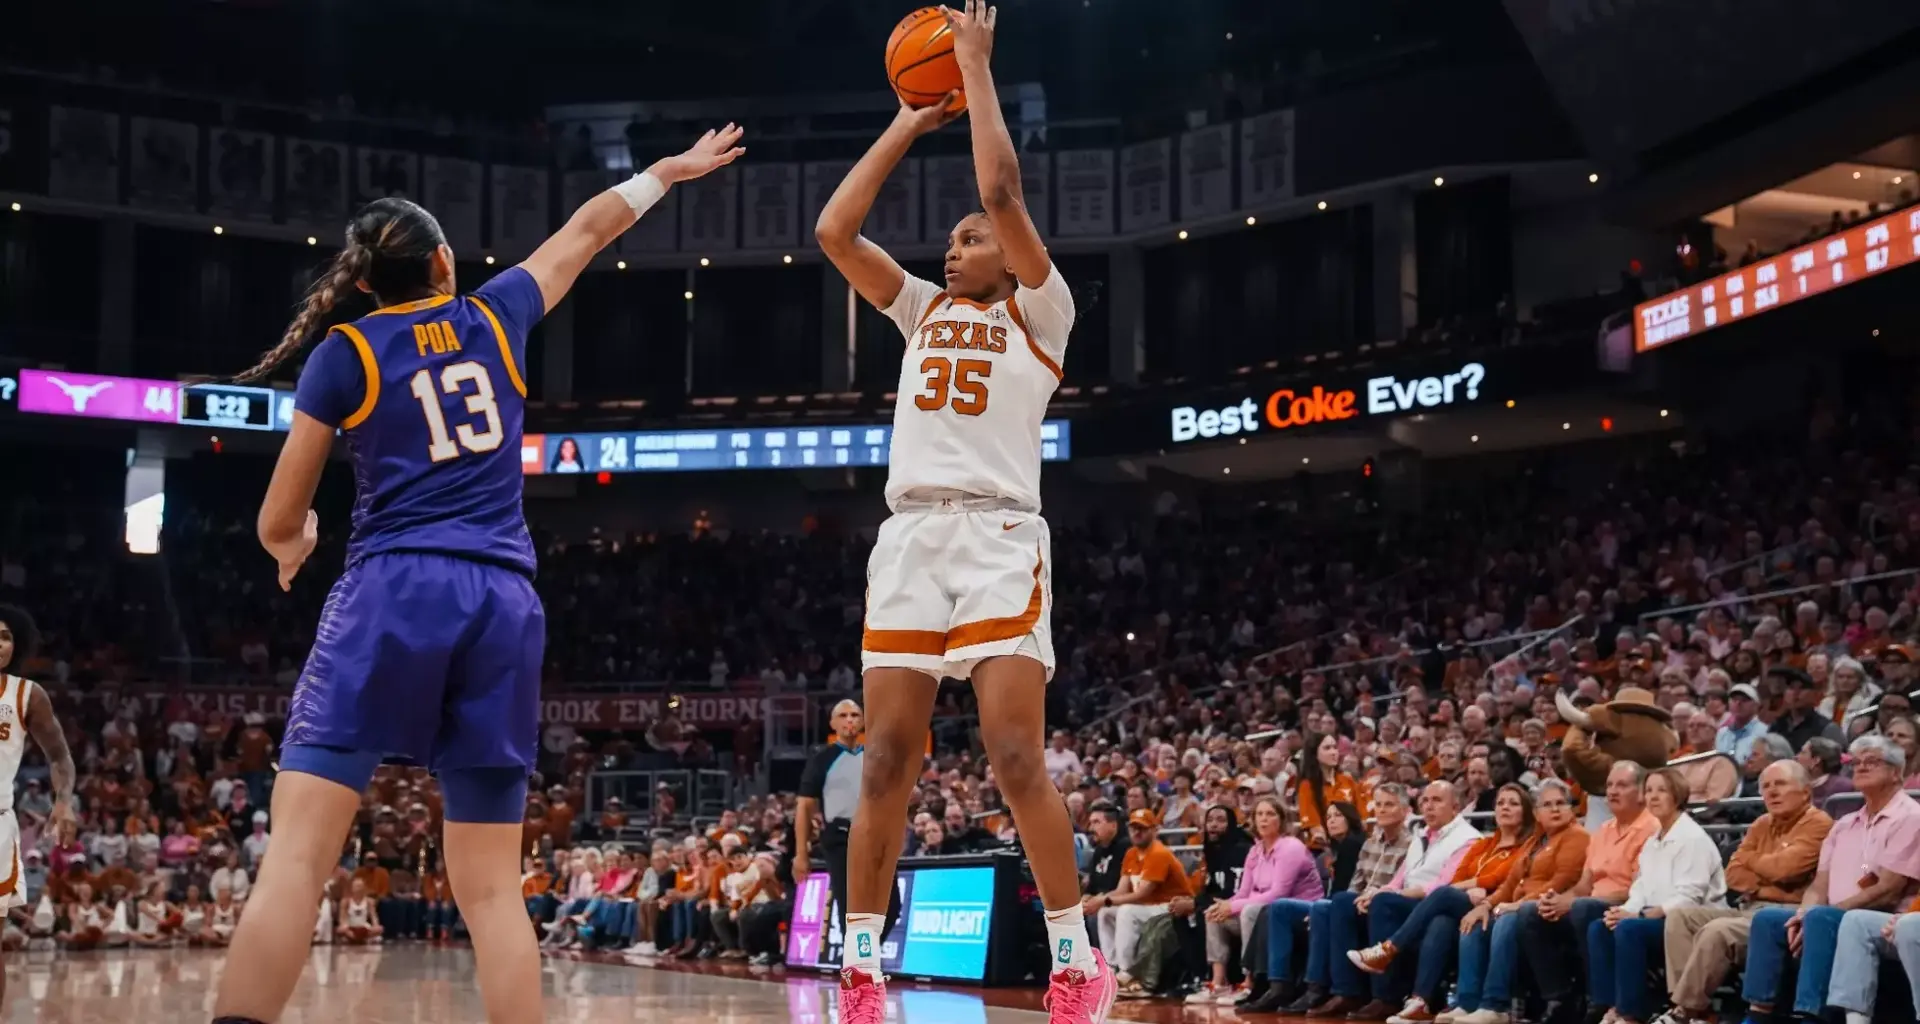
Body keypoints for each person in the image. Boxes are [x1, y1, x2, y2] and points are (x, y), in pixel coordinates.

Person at [207, 126, 744, 1024]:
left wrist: (294, 542)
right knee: (491, 891)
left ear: (366, 282)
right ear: (446, 262)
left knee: (298, 857)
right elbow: (587, 229)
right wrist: (668, 171)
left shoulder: (345, 354)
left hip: (395, 587)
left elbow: (275, 518)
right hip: (502, 601)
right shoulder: (497, 312)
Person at [814, 6, 1112, 1020]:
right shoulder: (920, 311)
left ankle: (1077, 958)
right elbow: (834, 232)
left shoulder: (1044, 310)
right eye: (949, 238)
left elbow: (999, 187)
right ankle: (860, 964)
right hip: (911, 540)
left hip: (996, 537)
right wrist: (905, 119)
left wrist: (976, 70)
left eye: (970, 239)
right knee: (887, 755)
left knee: (1014, 753)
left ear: (1014, 255)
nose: (956, 243)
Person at [1738, 735, 1920, 1024]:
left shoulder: (1910, 817)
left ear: (1896, 772)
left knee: (1822, 918)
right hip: (1829, 915)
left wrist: (1821, 914)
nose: (1860, 767)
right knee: (1768, 920)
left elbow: (1888, 889)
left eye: (1871, 761)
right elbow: (1819, 884)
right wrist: (1802, 914)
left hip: (1880, 918)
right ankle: (1757, 1015)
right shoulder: (1845, 824)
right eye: (1856, 762)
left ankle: (1811, 1015)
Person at [1340, 783, 1538, 1024]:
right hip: (1463, 905)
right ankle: (1420, 1002)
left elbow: (1500, 877)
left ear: (1525, 812)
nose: (1505, 807)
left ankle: (1388, 949)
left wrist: (1473, 886)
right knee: (1440, 922)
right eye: (1500, 803)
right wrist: (1466, 886)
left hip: (1495, 905)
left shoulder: (1524, 845)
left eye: (1513, 803)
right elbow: (1457, 878)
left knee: (1443, 895)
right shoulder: (1483, 844)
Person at [1653, 760, 1831, 1024]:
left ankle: (1682, 1013)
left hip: (1783, 914)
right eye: (1766, 786)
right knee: (1681, 918)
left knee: (1718, 931)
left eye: (1780, 784)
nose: (1771, 792)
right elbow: (1733, 873)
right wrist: (1767, 878)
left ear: (1806, 792)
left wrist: (1755, 863)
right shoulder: (1761, 823)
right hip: (1747, 908)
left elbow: (1785, 869)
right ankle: (1698, 1014)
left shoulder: (1819, 823)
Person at [1516, 762, 1660, 1024]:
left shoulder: (1652, 829)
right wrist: (1560, 901)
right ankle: (1559, 998)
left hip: (1626, 907)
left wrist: (1575, 903)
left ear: (1642, 792)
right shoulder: (1603, 830)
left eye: (1622, 785)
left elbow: (1640, 890)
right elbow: (1585, 883)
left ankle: (1599, 1000)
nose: (1613, 791)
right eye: (1609, 786)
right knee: (1531, 911)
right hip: (1588, 905)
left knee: (1584, 910)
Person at [1444, 779, 1591, 1024]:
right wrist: (1486, 905)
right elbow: (1509, 885)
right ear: (1536, 813)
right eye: (1547, 805)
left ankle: (1495, 1006)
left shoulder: (1577, 837)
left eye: (1560, 803)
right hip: (1516, 908)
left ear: (1571, 808)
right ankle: (1468, 1002)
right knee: (1474, 922)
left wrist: (1514, 905)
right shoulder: (1535, 841)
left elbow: (1560, 882)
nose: (1555, 809)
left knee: (1506, 920)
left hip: (1548, 911)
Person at [1587, 769, 1724, 1024]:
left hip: (1690, 922)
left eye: (1661, 790)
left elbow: (1690, 896)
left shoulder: (1692, 838)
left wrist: (1647, 913)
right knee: (1600, 927)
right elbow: (1640, 887)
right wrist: (1625, 910)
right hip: (1654, 916)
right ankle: (1611, 1005)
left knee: (1630, 930)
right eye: (1649, 790)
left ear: (1677, 795)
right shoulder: (1652, 842)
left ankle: (1631, 1014)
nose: (1653, 796)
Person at [1273, 783, 1413, 1016]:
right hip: (1362, 903)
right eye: (1378, 804)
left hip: (1390, 905)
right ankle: (1339, 991)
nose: (1381, 810)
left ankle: (1381, 996)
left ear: (1404, 810)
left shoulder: (1412, 845)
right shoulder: (1370, 843)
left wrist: (1369, 897)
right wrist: (1357, 898)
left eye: (1389, 804)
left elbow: (1406, 885)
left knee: (1352, 903)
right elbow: (1355, 884)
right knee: (1334, 904)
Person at [0, 604, 77, 1010]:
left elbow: (60, 757)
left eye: (6, 636)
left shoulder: (27, 695)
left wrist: (63, 802)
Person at [1193, 797, 1320, 1006]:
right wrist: (1223, 906)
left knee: (1249, 911)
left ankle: (1250, 982)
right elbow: (1244, 892)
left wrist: (1232, 906)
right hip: (1264, 910)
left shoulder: (1290, 847)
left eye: (1270, 814)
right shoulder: (1255, 851)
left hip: (1298, 911)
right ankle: (1219, 982)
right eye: (1260, 814)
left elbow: (1279, 893)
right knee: (1214, 914)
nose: (1264, 819)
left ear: (1281, 819)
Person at [794, 700, 902, 940]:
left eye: (855, 715)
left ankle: (863, 960)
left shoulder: (877, 757)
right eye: (843, 715)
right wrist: (801, 852)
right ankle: (858, 970)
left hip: (876, 836)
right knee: (853, 910)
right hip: (841, 837)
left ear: (863, 721)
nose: (849, 720)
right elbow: (804, 806)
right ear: (833, 723)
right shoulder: (821, 759)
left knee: (891, 907)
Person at [1098, 809, 1194, 996]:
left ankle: (1127, 973)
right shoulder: (1131, 853)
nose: (1137, 833)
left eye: (1142, 828)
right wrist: (1099, 901)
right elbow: (1121, 890)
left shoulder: (1159, 853)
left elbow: (1142, 894)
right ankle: (1112, 967)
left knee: (1126, 911)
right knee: (1105, 913)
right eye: (1133, 828)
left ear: (1154, 830)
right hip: (1148, 906)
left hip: (1172, 906)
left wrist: (1105, 900)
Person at [1298, 732, 1372, 851]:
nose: (1333, 752)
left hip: (1355, 843)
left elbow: (1362, 816)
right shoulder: (1307, 786)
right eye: (1327, 748)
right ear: (1314, 754)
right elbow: (1314, 825)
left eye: (1335, 747)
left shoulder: (1348, 780)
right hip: (1325, 849)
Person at [1717, 684, 1768, 763]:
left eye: (1744, 700)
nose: (1738, 703)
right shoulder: (1722, 733)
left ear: (1756, 705)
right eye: (1734, 699)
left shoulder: (1764, 732)